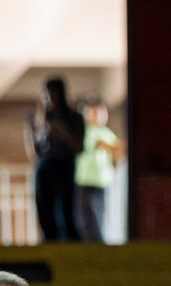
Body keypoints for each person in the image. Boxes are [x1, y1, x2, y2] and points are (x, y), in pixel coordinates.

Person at [26, 78, 85, 242]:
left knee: (65, 212)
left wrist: (61, 131)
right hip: (45, 167)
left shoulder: (75, 118)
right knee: (45, 213)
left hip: (64, 166)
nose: (49, 97)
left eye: (52, 92)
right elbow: (35, 152)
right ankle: (49, 245)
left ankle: (73, 249)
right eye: (46, 93)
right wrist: (31, 131)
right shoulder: (42, 119)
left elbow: (79, 146)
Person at [74, 95, 123, 244]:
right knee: (86, 220)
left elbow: (118, 149)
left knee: (98, 219)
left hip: (101, 183)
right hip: (84, 181)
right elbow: (95, 144)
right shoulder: (85, 131)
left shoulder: (106, 132)